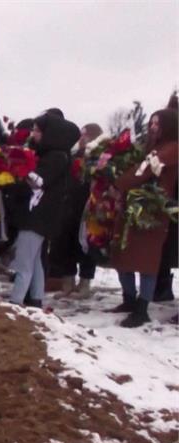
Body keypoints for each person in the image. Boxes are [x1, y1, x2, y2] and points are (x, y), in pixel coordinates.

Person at [109, 108, 178, 327]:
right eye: (151, 122)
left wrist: (118, 185)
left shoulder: (172, 148)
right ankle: (129, 299)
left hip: (153, 210)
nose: (152, 126)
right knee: (124, 254)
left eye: (157, 123)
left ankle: (142, 307)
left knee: (147, 260)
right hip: (136, 206)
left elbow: (144, 169)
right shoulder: (152, 147)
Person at [7, 114, 80, 307]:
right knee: (35, 261)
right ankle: (36, 298)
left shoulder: (56, 157)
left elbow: (38, 181)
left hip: (37, 216)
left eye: (38, 131)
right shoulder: (51, 154)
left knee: (24, 260)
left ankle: (16, 300)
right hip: (38, 215)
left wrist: (17, 167)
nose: (34, 134)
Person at [52, 123, 103, 299]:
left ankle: (85, 283)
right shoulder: (72, 155)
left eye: (86, 135)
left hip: (90, 206)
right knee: (67, 242)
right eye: (81, 135)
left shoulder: (100, 157)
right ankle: (68, 282)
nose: (82, 139)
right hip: (70, 205)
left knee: (86, 246)